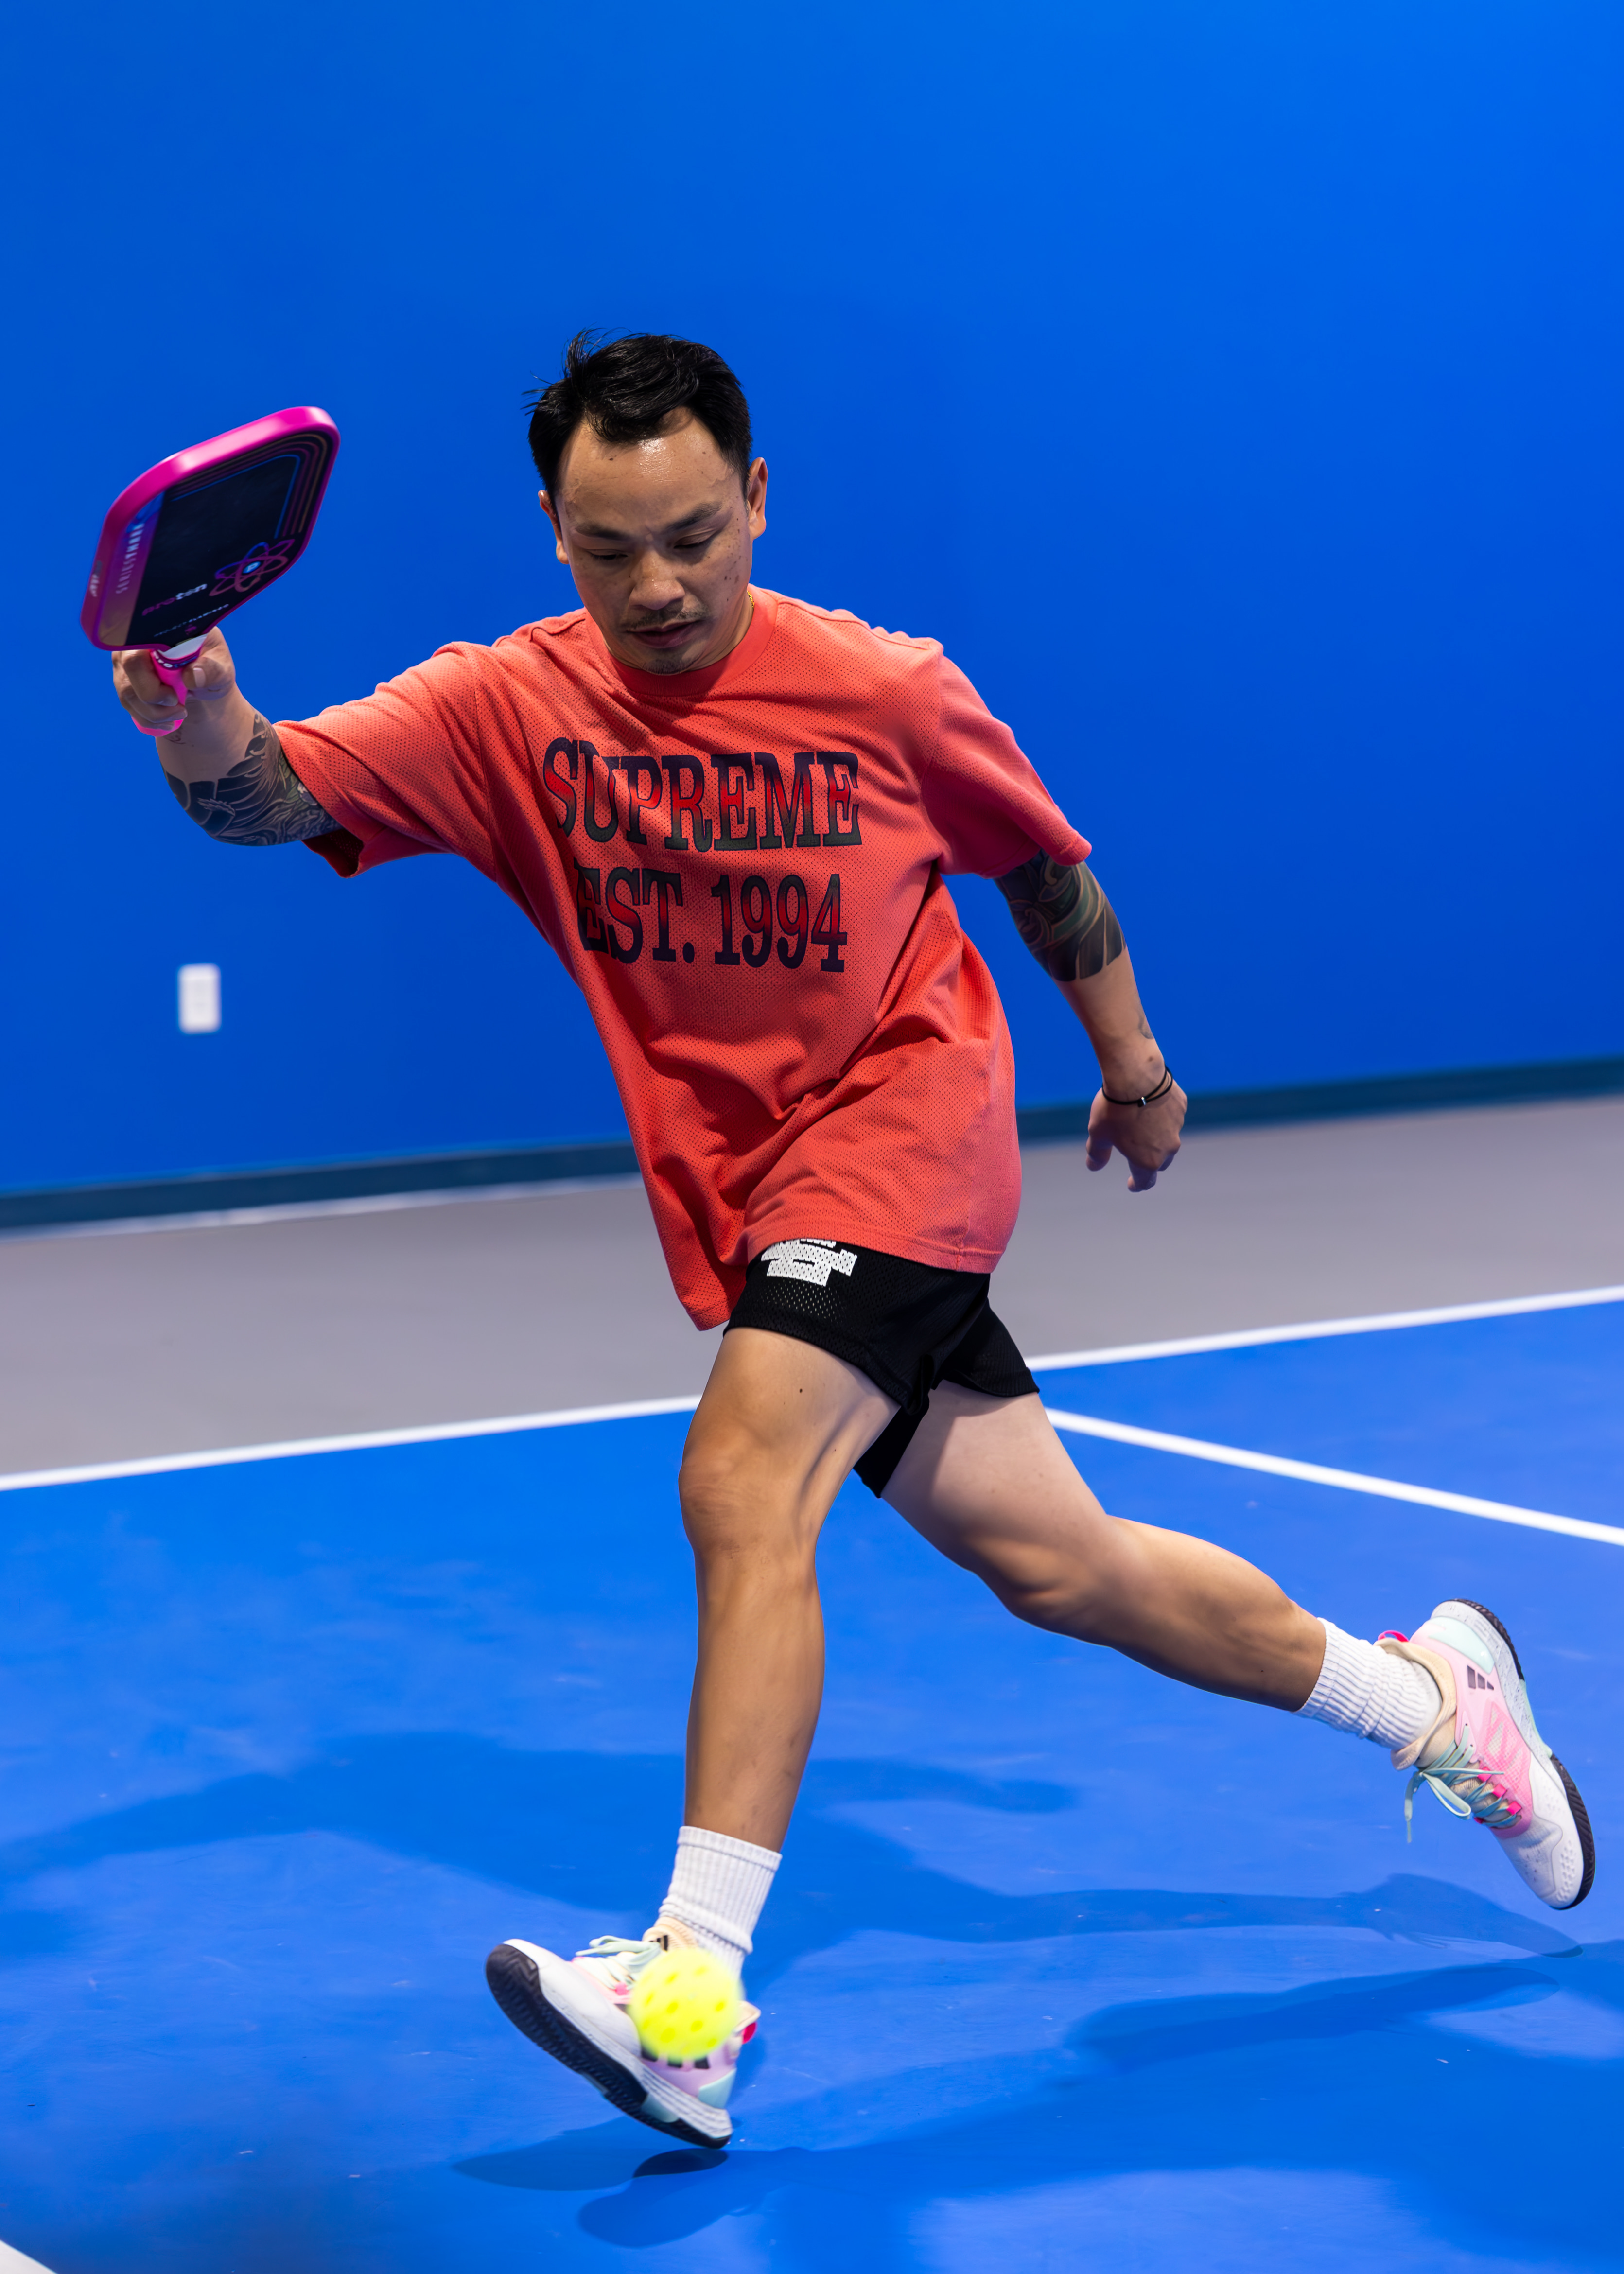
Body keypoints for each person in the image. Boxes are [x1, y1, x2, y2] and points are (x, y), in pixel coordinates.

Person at [113, 332, 1593, 2148]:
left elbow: (1043, 867)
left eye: (688, 536)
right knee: (1064, 1566)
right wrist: (190, 708)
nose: (655, 585)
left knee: (742, 1482)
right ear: (554, 533)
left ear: (754, 498)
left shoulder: (884, 690)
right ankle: (1438, 1701)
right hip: (751, 1193)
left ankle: (689, 1996)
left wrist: (1131, 1063)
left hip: (910, 1125)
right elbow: (272, 793)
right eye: (606, 547)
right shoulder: (509, 707)